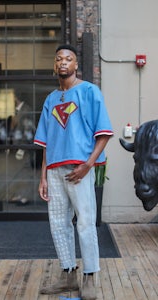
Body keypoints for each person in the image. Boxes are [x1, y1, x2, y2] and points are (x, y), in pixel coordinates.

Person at [34, 44, 113, 300]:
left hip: (79, 169)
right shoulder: (51, 99)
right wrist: (43, 176)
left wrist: (87, 165)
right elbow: (45, 142)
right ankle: (68, 274)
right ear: (54, 65)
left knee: (86, 224)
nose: (63, 62)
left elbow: (103, 134)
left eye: (68, 59)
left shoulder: (90, 92)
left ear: (76, 64)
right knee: (58, 224)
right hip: (55, 171)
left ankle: (90, 276)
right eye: (59, 59)